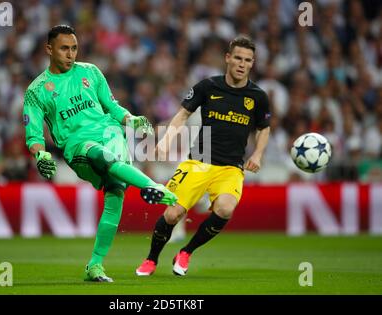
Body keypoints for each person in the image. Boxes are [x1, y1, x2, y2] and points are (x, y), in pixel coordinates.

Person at [23, 25, 177, 283]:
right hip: (77, 146)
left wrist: (132, 119)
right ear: (49, 49)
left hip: (111, 134)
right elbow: (34, 136)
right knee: (100, 157)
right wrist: (40, 156)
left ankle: (94, 266)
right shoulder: (37, 91)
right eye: (64, 48)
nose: (70, 54)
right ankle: (154, 188)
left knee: (115, 192)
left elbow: (112, 106)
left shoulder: (91, 72)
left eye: (74, 48)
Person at [136, 36, 271, 276]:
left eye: (248, 60)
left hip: (231, 167)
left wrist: (258, 154)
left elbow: (263, 127)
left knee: (225, 209)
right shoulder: (208, 86)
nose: (242, 64)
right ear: (228, 58)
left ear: (252, 64)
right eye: (238, 58)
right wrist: (166, 140)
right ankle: (151, 259)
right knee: (172, 213)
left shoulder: (258, 97)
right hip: (199, 160)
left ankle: (186, 253)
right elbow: (182, 114)